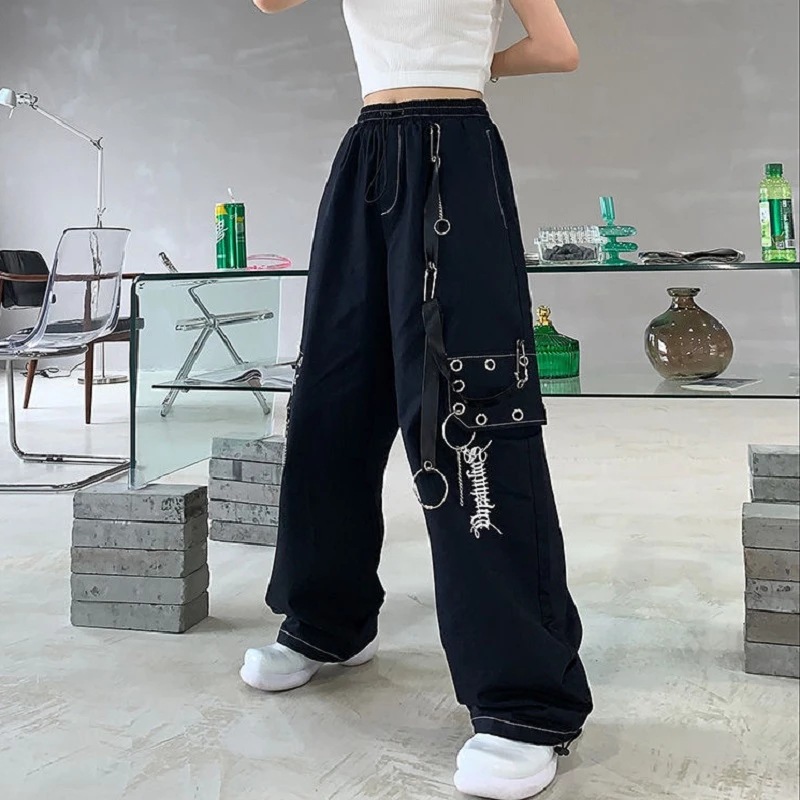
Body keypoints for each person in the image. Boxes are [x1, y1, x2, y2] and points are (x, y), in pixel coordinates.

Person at [241, 1, 593, 798]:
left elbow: (557, 47)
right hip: (366, 153)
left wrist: (474, 64)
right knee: (330, 395)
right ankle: (326, 620)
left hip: (455, 152)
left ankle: (524, 702)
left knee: (468, 407)